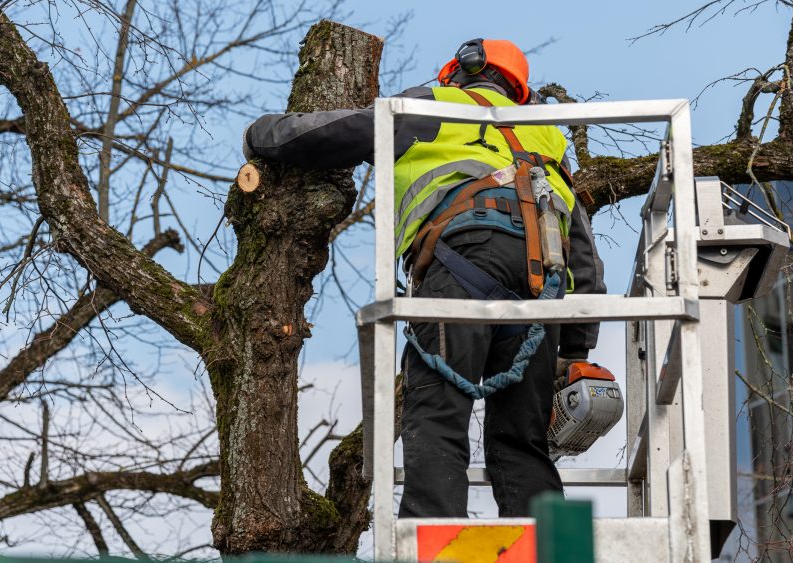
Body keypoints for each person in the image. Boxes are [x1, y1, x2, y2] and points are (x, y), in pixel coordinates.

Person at [242, 38, 606, 518]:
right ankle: (547, 547)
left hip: (466, 260)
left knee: (438, 414)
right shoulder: (547, 138)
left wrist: (262, 135)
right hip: (543, 288)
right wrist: (576, 352)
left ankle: (433, 541)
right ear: (519, 90)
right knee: (523, 437)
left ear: (457, 71)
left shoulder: (437, 104)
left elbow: (336, 133)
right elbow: (582, 254)